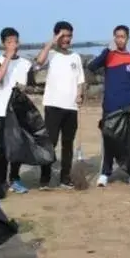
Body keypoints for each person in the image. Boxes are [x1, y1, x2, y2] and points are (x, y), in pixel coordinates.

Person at [87, 25, 130, 187]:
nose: (120, 39)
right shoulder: (108, 56)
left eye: (123, 36)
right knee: (108, 139)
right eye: (117, 36)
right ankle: (105, 173)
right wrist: (106, 50)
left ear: (128, 38)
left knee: (128, 142)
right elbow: (92, 66)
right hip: (110, 105)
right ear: (114, 38)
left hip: (127, 106)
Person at [35, 21, 85, 190]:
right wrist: (52, 41)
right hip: (53, 105)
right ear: (56, 36)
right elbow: (39, 61)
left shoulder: (75, 57)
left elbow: (80, 80)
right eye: (62, 36)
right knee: (50, 143)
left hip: (71, 107)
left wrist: (80, 95)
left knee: (68, 144)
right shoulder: (51, 54)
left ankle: (65, 177)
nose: (66, 39)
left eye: (69, 36)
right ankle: (45, 178)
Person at [0, 27, 33, 194]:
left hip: (19, 111)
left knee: (19, 146)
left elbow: (30, 86)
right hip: (2, 110)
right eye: (9, 42)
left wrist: (24, 89)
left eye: (15, 41)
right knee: (2, 148)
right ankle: (0, 180)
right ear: (3, 44)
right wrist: (8, 57)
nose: (13, 45)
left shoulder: (25, 63)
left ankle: (15, 178)